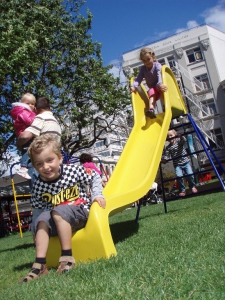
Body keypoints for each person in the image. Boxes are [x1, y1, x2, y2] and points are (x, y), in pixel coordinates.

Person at [18, 134, 105, 283]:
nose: (45, 167)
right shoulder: (39, 184)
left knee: (59, 211)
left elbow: (95, 177)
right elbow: (38, 209)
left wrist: (96, 195)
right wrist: (36, 230)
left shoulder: (72, 171)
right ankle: (40, 265)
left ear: (59, 158)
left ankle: (67, 258)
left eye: (49, 160)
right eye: (39, 164)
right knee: (43, 218)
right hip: (55, 218)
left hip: (79, 212)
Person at [17, 97, 61, 186]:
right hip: (53, 158)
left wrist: (18, 144)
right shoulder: (55, 121)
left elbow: (25, 136)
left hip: (41, 159)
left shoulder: (41, 117)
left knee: (37, 187)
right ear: (50, 108)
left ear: (36, 109)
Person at [130, 47, 168, 119]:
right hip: (153, 87)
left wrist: (160, 84)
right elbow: (138, 79)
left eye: (148, 59)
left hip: (160, 85)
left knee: (162, 91)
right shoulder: (143, 69)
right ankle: (151, 110)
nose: (147, 62)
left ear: (153, 57)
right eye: (144, 61)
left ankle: (166, 106)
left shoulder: (157, 65)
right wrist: (133, 86)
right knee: (151, 91)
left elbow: (159, 74)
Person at [162, 130, 198, 197]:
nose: (169, 137)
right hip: (177, 165)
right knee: (179, 176)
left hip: (186, 162)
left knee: (190, 174)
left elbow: (184, 141)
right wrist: (164, 159)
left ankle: (192, 186)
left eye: (171, 135)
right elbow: (166, 155)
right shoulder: (168, 147)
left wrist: (181, 137)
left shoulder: (178, 142)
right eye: (168, 136)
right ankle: (182, 190)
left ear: (175, 136)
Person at [10, 93, 36, 179]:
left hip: (23, 131)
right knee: (27, 149)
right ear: (22, 103)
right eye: (28, 103)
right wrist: (36, 120)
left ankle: (24, 167)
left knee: (28, 149)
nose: (30, 105)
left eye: (32, 103)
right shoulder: (22, 111)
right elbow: (28, 121)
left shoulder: (23, 110)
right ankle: (23, 167)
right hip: (24, 131)